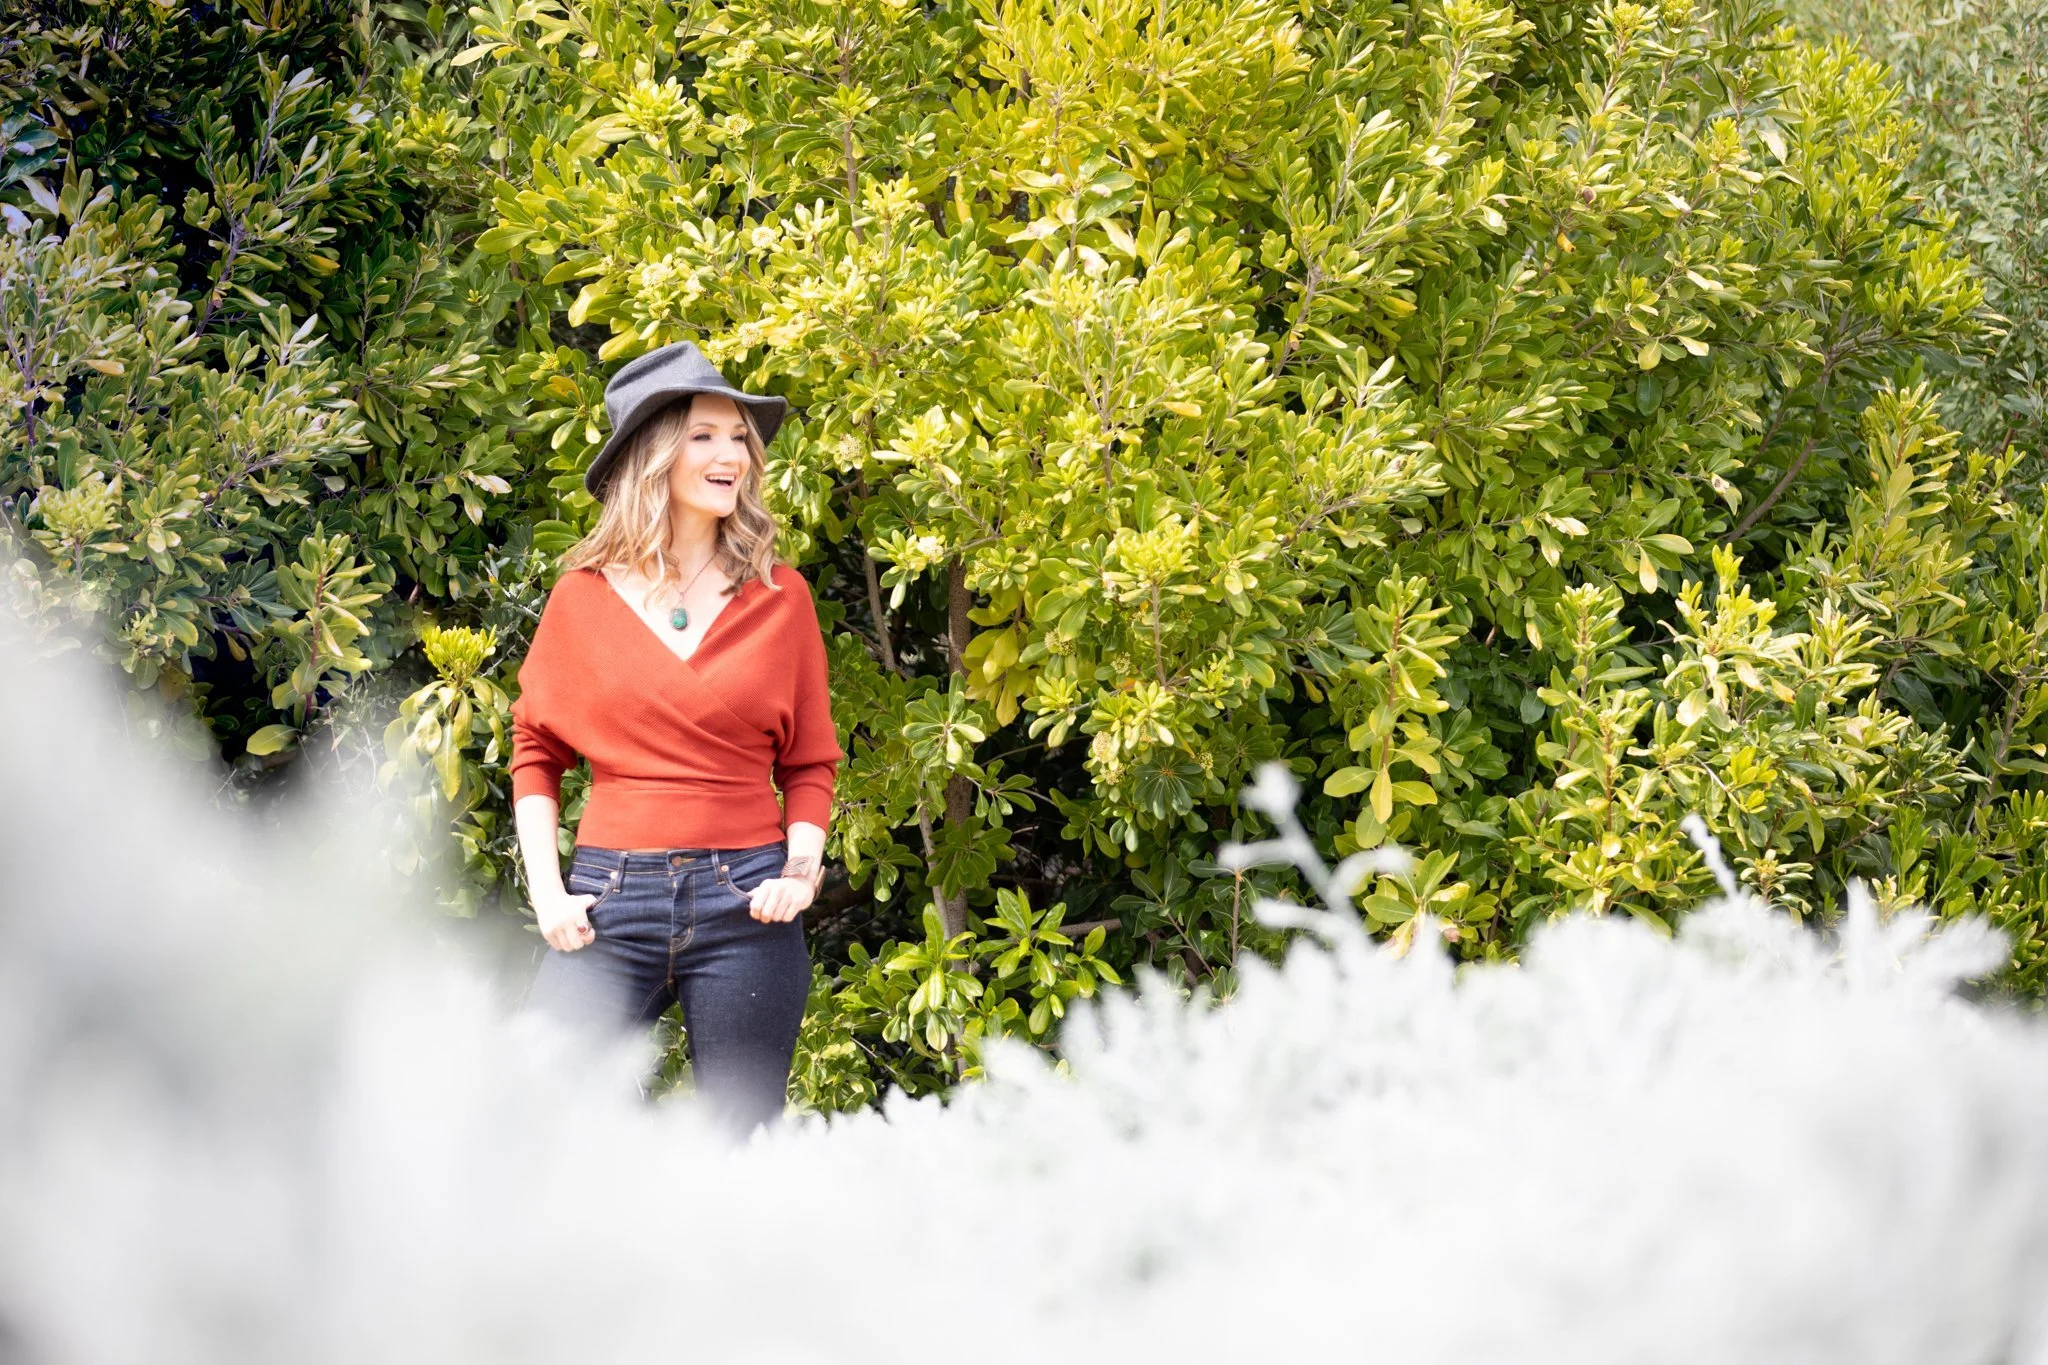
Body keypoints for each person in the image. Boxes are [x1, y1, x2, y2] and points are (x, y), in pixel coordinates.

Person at [506, 340, 843, 1137]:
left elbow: (811, 761)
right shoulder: (581, 599)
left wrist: (801, 870)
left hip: (747, 907)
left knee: (740, 1145)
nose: (732, 454)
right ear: (653, 453)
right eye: (705, 435)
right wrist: (547, 890)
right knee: (541, 1118)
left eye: (738, 437)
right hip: (607, 906)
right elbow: (535, 753)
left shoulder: (780, 596)